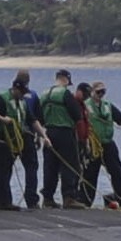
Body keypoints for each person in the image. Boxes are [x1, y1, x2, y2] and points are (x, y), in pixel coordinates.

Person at [82, 80, 121, 208]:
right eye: (98, 92)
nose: (101, 94)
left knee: (117, 171)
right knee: (90, 174)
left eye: (103, 91)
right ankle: (85, 201)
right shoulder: (85, 106)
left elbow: (120, 118)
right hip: (94, 144)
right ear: (92, 92)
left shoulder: (107, 105)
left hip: (108, 143)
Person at [34, 69, 85, 208]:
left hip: (49, 133)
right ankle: (69, 197)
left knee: (50, 167)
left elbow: (38, 116)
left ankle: (48, 198)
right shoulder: (65, 93)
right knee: (70, 165)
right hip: (65, 132)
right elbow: (77, 114)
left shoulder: (44, 94)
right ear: (66, 79)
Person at [0, 75, 29, 210]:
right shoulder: (1, 98)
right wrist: (3, 119)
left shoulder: (19, 103)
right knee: (4, 168)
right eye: (21, 92)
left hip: (9, 140)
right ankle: (4, 201)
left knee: (3, 169)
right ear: (15, 89)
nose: (23, 95)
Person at [11, 70, 42, 208]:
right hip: (28, 135)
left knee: (6, 168)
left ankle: (3, 197)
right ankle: (31, 199)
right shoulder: (33, 95)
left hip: (12, 135)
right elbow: (37, 118)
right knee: (31, 168)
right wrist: (39, 137)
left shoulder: (10, 94)